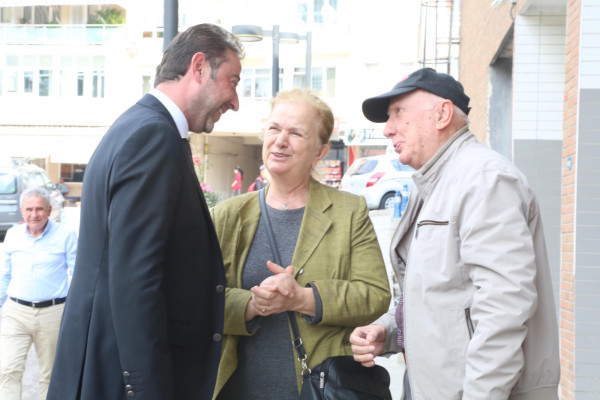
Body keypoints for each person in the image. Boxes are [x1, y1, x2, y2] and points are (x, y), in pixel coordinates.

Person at [47, 24, 244, 400]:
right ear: (198, 67)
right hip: (121, 380)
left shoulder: (136, 126)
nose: (235, 101)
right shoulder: (154, 136)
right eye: (232, 81)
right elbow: (135, 280)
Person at [350, 68, 560, 399]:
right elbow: (441, 294)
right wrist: (388, 329)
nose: (388, 129)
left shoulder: (484, 180)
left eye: (398, 112)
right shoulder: (433, 183)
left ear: (443, 114)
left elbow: (503, 308)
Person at [210, 88, 391, 399]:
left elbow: (375, 295)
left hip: (321, 388)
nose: (280, 140)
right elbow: (196, 301)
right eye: (274, 128)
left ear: (320, 151)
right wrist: (251, 304)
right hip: (237, 389)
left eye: (295, 133)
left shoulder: (349, 211)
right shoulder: (227, 216)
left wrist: (303, 298)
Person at [0, 187, 77, 400]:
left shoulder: (66, 235)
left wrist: (73, 311)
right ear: (22, 211)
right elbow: (5, 275)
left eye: (39, 209)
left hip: (53, 313)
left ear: (49, 210)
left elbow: (77, 274)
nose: (34, 214)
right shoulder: (13, 235)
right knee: (7, 370)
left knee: (50, 374)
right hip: (16, 313)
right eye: (29, 209)